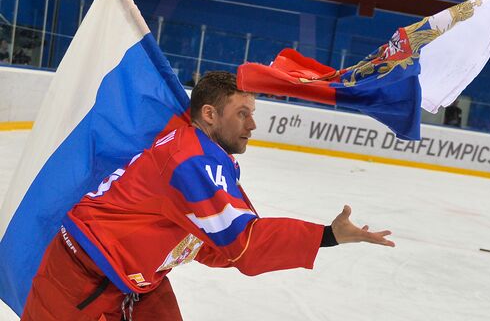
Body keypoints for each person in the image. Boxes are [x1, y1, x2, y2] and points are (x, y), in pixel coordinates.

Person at [21, 71, 395, 321]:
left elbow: (212, 245)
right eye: (242, 113)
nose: (252, 124)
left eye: (253, 112)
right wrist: (327, 236)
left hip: (139, 277)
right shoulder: (193, 162)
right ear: (210, 114)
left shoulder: (207, 154)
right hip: (82, 272)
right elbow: (242, 244)